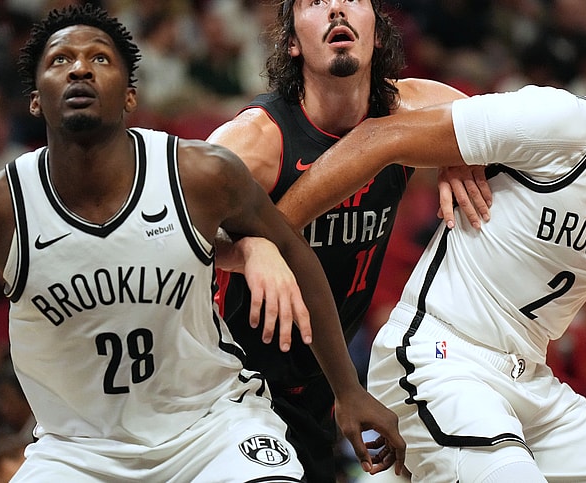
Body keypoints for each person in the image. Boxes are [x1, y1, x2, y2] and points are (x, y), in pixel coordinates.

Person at [274, 0, 586, 480]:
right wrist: (269, 238)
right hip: (438, 354)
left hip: (531, 381)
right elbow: (376, 138)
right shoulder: (561, 121)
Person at [0, 4, 404, 481]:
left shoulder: (200, 173)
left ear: (129, 97)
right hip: (77, 450)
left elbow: (300, 257)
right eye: (60, 60)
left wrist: (348, 390)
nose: (79, 67)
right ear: (36, 99)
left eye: (100, 59)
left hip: (212, 427)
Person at [205, 0, 489, 481]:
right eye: (315, 2)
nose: (336, 8)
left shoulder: (409, 111)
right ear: (292, 43)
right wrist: (245, 249)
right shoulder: (255, 139)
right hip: (232, 378)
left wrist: (463, 152)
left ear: (377, 32)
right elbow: (161, 230)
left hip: (321, 379)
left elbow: (496, 121)